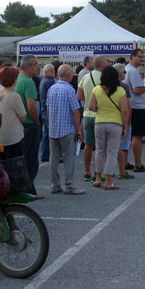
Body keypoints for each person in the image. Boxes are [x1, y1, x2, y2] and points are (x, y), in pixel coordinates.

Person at [88, 65, 130, 190]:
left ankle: (98, 178)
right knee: (112, 152)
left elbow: (90, 106)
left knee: (99, 151)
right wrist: (125, 126)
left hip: (100, 122)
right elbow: (125, 111)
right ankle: (109, 181)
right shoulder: (120, 91)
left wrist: (100, 110)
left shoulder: (96, 89)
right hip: (115, 123)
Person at [46, 65, 84, 194]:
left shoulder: (51, 88)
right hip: (67, 128)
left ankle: (54, 185)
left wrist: (50, 123)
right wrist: (78, 129)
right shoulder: (69, 90)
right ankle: (70, 185)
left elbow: (48, 110)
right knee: (69, 158)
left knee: (54, 158)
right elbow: (75, 112)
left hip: (53, 128)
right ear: (68, 75)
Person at [15, 56, 42, 196]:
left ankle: (23, 187)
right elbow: (31, 107)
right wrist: (37, 121)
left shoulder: (17, 80)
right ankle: (28, 189)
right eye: (35, 64)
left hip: (19, 124)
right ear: (27, 66)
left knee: (22, 158)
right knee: (31, 160)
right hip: (29, 124)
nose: (38, 67)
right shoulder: (29, 82)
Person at [77, 55, 106, 180]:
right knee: (100, 147)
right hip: (101, 115)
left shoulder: (85, 76)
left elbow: (79, 96)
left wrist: (89, 101)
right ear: (103, 65)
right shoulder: (105, 78)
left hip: (87, 114)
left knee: (88, 145)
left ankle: (87, 172)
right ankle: (98, 173)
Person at [0, 66, 26, 159]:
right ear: (14, 80)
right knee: (14, 164)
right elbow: (23, 117)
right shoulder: (14, 96)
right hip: (13, 137)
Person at [126, 48, 145, 172]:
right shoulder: (133, 71)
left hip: (131, 106)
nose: (142, 59)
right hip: (137, 106)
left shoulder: (127, 69)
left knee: (128, 136)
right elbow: (137, 90)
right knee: (137, 136)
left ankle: (125, 162)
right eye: (140, 57)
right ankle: (138, 163)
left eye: (142, 57)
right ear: (133, 56)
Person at [113, 63, 135, 179]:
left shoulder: (105, 86)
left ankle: (107, 172)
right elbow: (127, 107)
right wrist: (128, 122)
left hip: (109, 119)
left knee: (107, 148)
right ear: (120, 73)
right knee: (123, 146)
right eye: (124, 72)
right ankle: (122, 170)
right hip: (121, 119)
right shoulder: (123, 86)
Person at [38, 63, 56, 163]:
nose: (53, 72)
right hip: (48, 111)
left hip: (44, 110)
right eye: (51, 70)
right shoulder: (49, 82)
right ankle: (50, 155)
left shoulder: (43, 81)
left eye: (53, 70)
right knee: (51, 135)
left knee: (46, 134)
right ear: (45, 72)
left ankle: (45, 155)